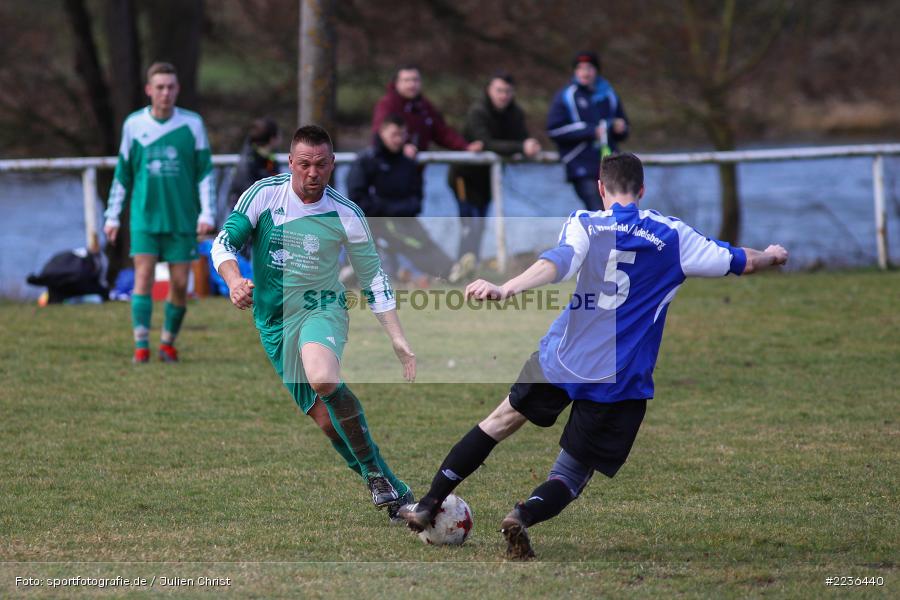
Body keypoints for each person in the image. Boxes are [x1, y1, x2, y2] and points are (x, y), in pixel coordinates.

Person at [398, 153, 788, 559]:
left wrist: (506, 287)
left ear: (600, 187)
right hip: (619, 379)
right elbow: (740, 261)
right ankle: (521, 516)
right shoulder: (673, 237)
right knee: (569, 475)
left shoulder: (585, 222)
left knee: (499, 422)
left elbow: (558, 262)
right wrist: (772, 255)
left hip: (563, 359)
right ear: (642, 190)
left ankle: (428, 503)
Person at [211, 125, 417, 522]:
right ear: (290, 163)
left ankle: (380, 479)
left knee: (323, 379)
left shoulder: (346, 214)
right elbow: (224, 242)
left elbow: (373, 277)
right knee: (326, 422)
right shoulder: (264, 195)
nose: (312, 173)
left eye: (321, 164)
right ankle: (393, 490)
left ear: (332, 164)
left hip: (321, 308)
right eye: (304, 164)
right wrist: (235, 280)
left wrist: (398, 338)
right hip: (273, 321)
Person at [104, 61, 216, 364]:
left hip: (182, 217)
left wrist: (208, 212)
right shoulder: (133, 125)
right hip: (144, 216)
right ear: (149, 90)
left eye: (170, 87)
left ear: (177, 90)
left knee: (180, 284)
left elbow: (205, 172)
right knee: (143, 276)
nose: (165, 93)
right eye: (160, 87)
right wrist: (112, 216)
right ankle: (141, 345)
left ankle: (167, 343)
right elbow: (123, 174)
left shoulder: (192, 124)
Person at [347, 113, 464, 283]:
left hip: (402, 219)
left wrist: (399, 209)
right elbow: (357, 198)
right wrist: (387, 209)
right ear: (382, 133)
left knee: (417, 237)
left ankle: (449, 271)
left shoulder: (407, 164)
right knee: (411, 240)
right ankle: (449, 271)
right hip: (372, 221)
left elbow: (416, 199)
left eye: (402, 135)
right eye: (394, 134)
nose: (398, 139)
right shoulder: (366, 161)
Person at [448, 72, 542, 263]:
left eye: (507, 91)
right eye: (499, 90)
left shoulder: (515, 113)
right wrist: (520, 147)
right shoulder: (478, 112)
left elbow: (521, 139)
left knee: (479, 225)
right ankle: (459, 268)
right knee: (470, 225)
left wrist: (530, 145)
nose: (503, 95)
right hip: (464, 177)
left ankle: (470, 266)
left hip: (488, 178)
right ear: (489, 90)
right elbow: (486, 143)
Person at [547, 51, 630, 211]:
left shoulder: (609, 94)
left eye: (589, 68)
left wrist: (620, 128)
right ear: (575, 71)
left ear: (596, 70)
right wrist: (591, 131)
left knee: (620, 212)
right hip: (580, 164)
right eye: (580, 68)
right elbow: (554, 130)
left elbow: (625, 127)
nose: (585, 72)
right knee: (597, 211)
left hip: (610, 164)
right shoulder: (566, 95)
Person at [371, 65, 483, 158]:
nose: (411, 85)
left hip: (414, 172)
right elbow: (379, 132)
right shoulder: (387, 104)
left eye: (415, 80)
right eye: (406, 80)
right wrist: (402, 147)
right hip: (391, 167)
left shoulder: (424, 106)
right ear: (397, 83)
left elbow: (441, 132)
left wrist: (465, 146)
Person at [228, 117, 282, 213]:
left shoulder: (269, 159)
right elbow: (247, 197)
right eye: (278, 135)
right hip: (247, 218)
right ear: (272, 139)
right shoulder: (248, 162)